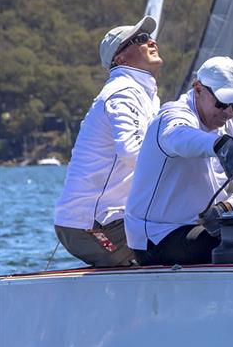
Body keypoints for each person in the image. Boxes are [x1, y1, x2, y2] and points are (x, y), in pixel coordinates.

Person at [124, 56, 233, 266]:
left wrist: (226, 207)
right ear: (198, 89)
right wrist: (219, 145)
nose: (229, 111)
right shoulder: (174, 114)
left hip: (199, 230)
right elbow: (179, 137)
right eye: (222, 102)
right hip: (156, 237)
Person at [53, 16, 162, 267]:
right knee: (170, 248)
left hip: (110, 221)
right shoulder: (123, 91)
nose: (151, 41)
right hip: (90, 226)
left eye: (149, 37)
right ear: (120, 59)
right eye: (140, 39)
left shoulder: (144, 94)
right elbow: (132, 151)